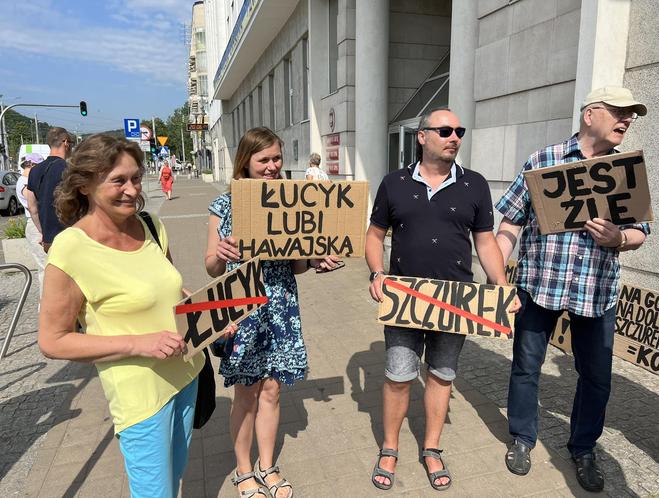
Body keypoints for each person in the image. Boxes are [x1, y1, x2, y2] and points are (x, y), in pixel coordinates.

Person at [495, 86, 649, 492]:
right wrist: (494, 271)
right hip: (539, 286)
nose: (628, 120)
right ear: (591, 114)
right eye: (620, 112)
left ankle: (583, 448)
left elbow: (641, 233)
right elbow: (510, 222)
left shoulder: (625, 171)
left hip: (595, 294)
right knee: (526, 367)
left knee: (597, 378)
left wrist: (619, 238)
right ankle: (523, 439)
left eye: (632, 114)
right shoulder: (542, 161)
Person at [37, 134, 208, 498]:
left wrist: (209, 315)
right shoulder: (71, 248)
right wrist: (139, 343)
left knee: (174, 479)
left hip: (186, 376)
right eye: (118, 181)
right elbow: (53, 340)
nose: (132, 190)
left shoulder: (150, 226)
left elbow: (171, 292)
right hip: (140, 398)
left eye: (135, 178)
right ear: (84, 185)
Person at [366, 107, 519, 491]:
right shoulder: (394, 183)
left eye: (459, 131)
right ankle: (389, 447)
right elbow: (374, 235)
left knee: (441, 375)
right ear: (422, 137)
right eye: (446, 130)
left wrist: (500, 284)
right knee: (399, 376)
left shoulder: (475, 185)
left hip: (456, 302)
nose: (455, 137)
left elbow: (485, 241)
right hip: (405, 299)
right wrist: (376, 273)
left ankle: (431, 448)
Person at [205, 127, 340, 498]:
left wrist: (316, 260)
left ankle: (267, 466)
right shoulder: (225, 205)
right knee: (246, 393)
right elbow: (211, 268)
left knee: (272, 389)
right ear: (246, 161)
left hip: (280, 306)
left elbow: (296, 265)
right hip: (242, 309)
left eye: (276, 159)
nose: (271, 166)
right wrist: (222, 253)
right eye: (263, 159)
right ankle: (243, 470)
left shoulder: (291, 200)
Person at [26, 127, 73, 253]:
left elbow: (32, 207)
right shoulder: (70, 169)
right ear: (66, 143)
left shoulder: (34, 171)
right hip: (71, 238)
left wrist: (44, 233)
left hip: (49, 241)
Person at [16, 153, 47, 295]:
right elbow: (33, 205)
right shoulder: (24, 182)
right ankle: (46, 306)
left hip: (37, 223)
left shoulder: (27, 180)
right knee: (45, 268)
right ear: (31, 165)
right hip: (36, 224)